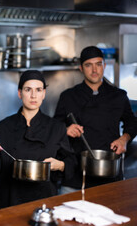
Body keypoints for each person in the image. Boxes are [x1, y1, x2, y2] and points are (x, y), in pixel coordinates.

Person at [54, 46, 137, 193]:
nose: (94, 70)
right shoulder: (68, 97)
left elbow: (132, 122)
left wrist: (124, 139)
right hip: (75, 178)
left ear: (104, 66)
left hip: (110, 175)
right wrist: (65, 130)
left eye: (98, 64)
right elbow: (54, 127)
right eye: (88, 65)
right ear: (81, 68)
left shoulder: (119, 96)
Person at [0, 70, 76, 207]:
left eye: (38, 90)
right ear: (19, 93)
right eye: (28, 90)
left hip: (45, 199)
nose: (33, 95)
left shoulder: (57, 127)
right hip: (10, 200)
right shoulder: (3, 127)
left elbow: (71, 161)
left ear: (44, 94)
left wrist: (61, 165)